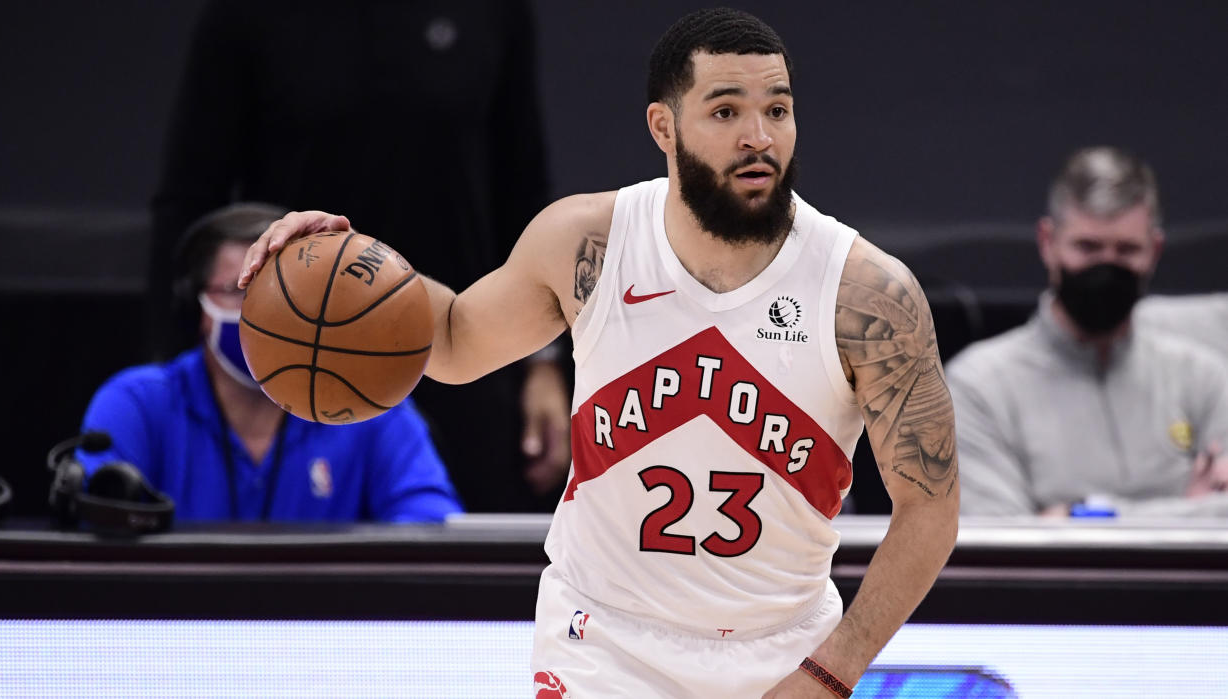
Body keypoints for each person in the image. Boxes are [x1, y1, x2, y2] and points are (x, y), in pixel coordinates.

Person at [240, 9, 959, 697]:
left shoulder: (866, 294)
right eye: (725, 111)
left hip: (782, 650)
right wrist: (340, 255)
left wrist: (835, 668)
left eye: (777, 109)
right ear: (663, 126)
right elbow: (456, 340)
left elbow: (930, 509)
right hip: (605, 643)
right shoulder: (590, 242)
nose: (758, 136)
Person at [149, 0, 569, 513]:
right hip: (302, 351)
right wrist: (172, 364)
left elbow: (522, 188)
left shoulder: (492, 12)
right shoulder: (246, 15)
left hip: (462, 339)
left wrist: (544, 364)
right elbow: (188, 199)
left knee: (458, 568)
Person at [79, 203, 462, 522]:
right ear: (196, 308)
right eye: (241, 289)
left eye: (280, 290)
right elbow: (96, 535)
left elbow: (430, 530)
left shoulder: (371, 405)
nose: (262, 310)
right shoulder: (138, 402)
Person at [947, 146, 1228, 518]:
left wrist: (1073, 515)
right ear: (1048, 243)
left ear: (1155, 251)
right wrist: (1186, 512)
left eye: (1127, 250)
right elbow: (1007, 547)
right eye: (1088, 247)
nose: (1107, 267)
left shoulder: (1202, 378)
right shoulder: (978, 388)